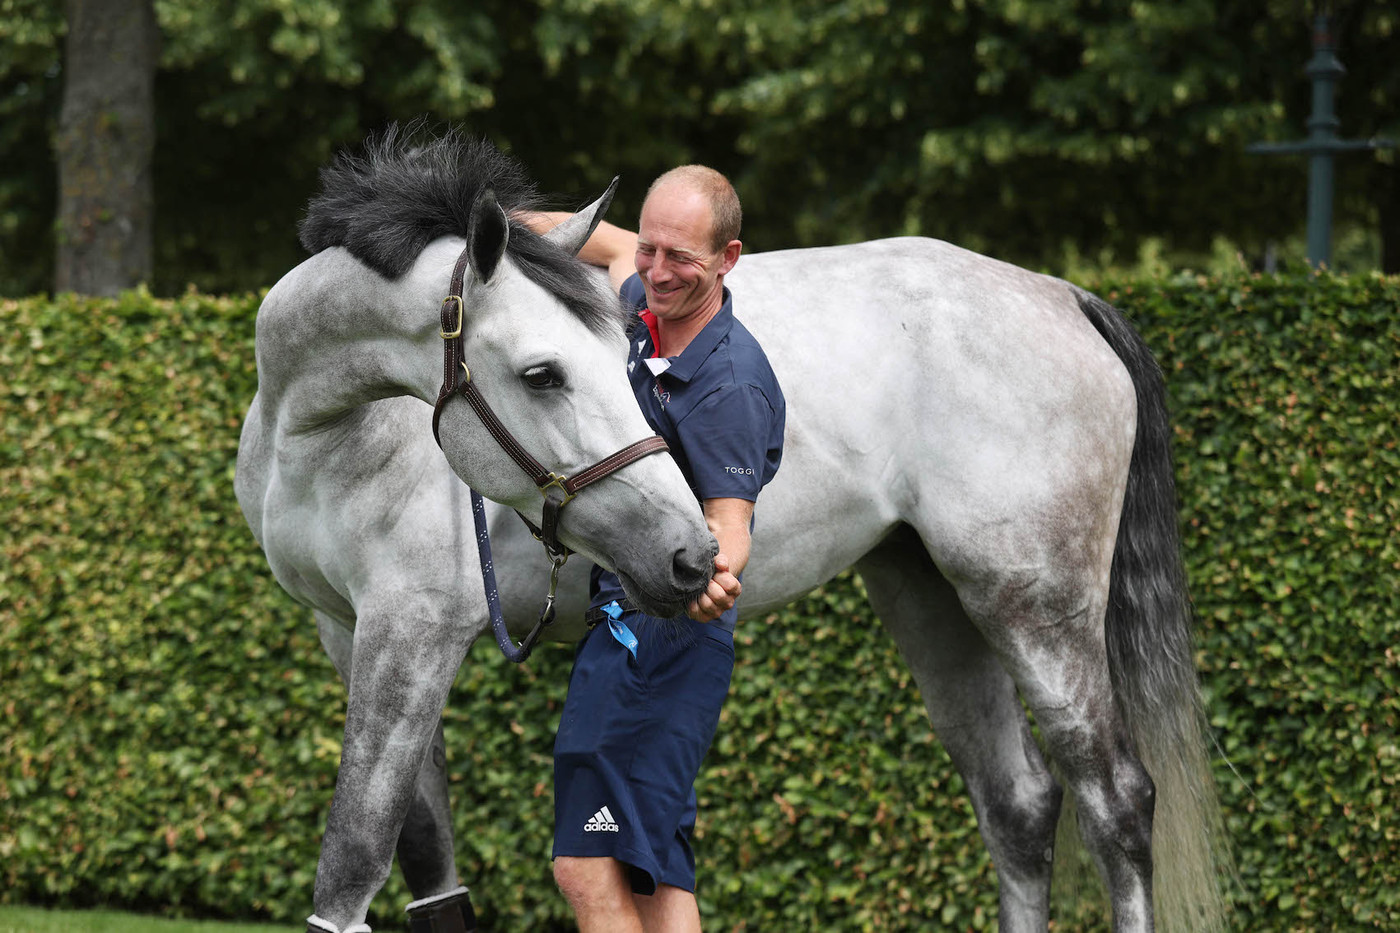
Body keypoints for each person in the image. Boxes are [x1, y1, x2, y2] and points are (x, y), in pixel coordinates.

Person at [522, 166, 785, 932]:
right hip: (626, 631)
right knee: (653, 872)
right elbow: (594, 240)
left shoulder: (730, 383)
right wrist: (473, 214)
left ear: (728, 258)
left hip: (665, 645)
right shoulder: (645, 299)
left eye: (681, 258)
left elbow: (729, 519)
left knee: (585, 862)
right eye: (652, 249)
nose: (657, 271)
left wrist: (718, 575)